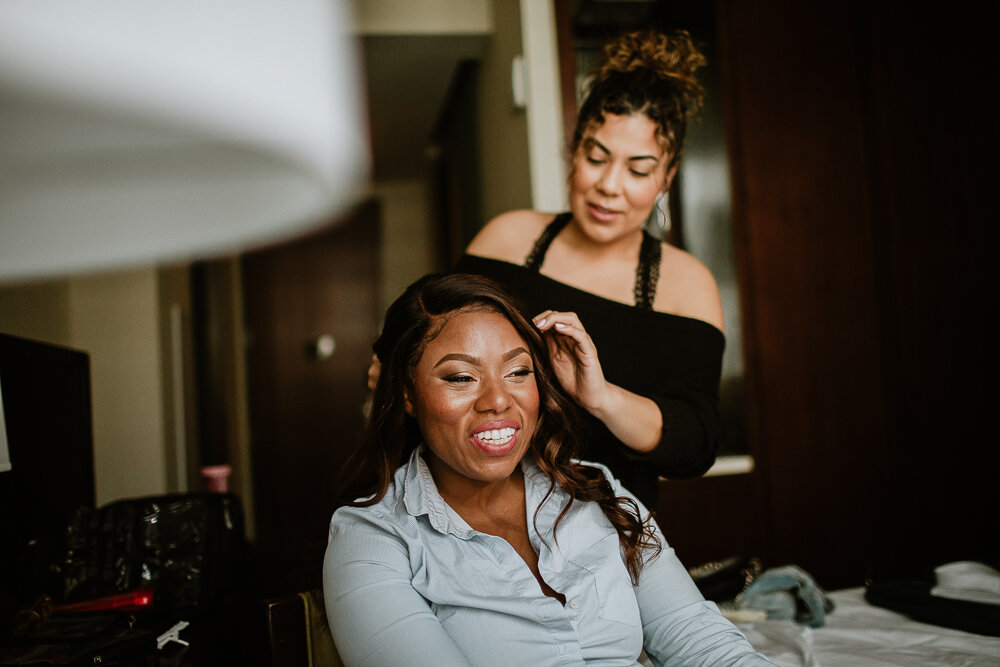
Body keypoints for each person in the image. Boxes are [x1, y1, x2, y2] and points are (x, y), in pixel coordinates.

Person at [326, 273, 772, 666]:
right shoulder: (374, 539)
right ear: (407, 394)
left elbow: (701, 642)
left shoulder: (595, 489)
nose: (498, 400)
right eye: (461, 377)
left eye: (518, 372)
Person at [454, 30, 723, 509]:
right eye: (596, 157)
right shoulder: (505, 240)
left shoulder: (688, 286)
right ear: (574, 150)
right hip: (471, 517)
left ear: (668, 175)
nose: (610, 186)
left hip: (605, 533)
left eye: (639, 170)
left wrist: (601, 398)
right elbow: (436, 349)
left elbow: (695, 446)